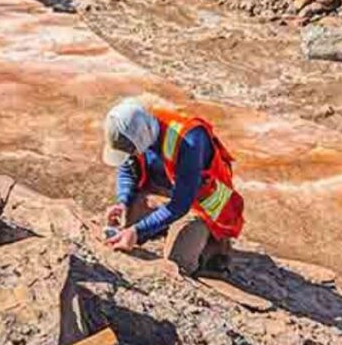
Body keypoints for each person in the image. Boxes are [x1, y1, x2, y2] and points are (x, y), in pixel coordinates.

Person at [101, 96, 245, 275]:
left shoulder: (190, 139)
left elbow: (180, 204)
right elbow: (128, 169)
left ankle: (213, 247)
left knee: (177, 262)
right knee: (123, 225)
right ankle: (163, 228)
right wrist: (122, 201)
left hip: (202, 206)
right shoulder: (135, 131)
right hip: (169, 193)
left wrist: (137, 231)